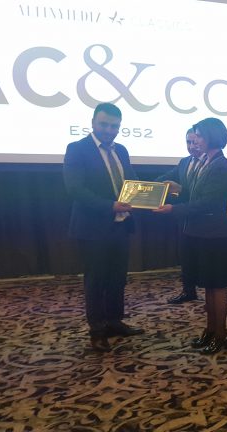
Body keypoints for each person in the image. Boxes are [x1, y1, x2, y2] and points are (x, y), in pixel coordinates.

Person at [63, 102, 143, 353]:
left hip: (121, 226)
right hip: (92, 227)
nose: (109, 130)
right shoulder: (77, 149)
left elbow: (132, 183)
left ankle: (114, 322)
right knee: (96, 281)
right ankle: (97, 331)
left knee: (117, 278)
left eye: (114, 126)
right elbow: (75, 189)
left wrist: (151, 194)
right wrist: (111, 206)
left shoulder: (122, 150)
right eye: (104, 124)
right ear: (93, 123)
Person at [154, 118, 227, 354]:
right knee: (208, 285)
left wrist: (173, 209)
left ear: (210, 136)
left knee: (216, 285)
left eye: (198, 135)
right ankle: (210, 330)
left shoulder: (220, 165)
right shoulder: (203, 162)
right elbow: (191, 194)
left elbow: (207, 203)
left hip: (214, 234)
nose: (195, 139)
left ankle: (221, 334)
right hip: (199, 232)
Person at [157, 128, 203, 304]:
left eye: (195, 142)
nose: (191, 146)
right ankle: (188, 291)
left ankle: (210, 292)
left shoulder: (210, 163)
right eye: (188, 142)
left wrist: (181, 190)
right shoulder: (185, 162)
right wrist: (149, 187)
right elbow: (166, 178)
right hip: (184, 219)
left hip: (202, 219)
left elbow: (203, 194)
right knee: (185, 256)